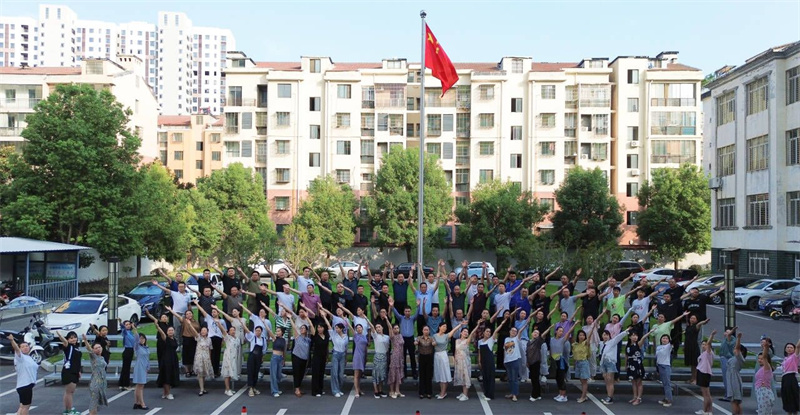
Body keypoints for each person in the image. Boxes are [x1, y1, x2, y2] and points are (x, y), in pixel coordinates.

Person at [177, 307, 212, 396]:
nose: (203, 332)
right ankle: (201, 389)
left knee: (204, 374)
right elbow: (194, 332)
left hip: (206, 358)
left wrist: (210, 358)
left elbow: (210, 349)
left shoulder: (209, 340)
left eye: (205, 331)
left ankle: (203, 388)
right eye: (202, 331)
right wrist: (189, 324)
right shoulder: (198, 337)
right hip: (199, 357)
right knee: (200, 373)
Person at [146, 310, 178, 399]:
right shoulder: (165, 338)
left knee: (169, 375)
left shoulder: (174, 339)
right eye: (169, 331)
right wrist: (157, 326)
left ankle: (165, 393)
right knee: (166, 375)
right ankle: (167, 393)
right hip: (166, 358)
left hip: (173, 358)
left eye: (172, 330)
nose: (171, 332)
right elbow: (162, 333)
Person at [549, 310, 578, 403]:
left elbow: (569, 332)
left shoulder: (562, 340)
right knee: (557, 378)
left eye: (562, 331)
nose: (561, 332)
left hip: (560, 361)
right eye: (560, 331)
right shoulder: (552, 339)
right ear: (556, 331)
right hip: (554, 360)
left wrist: (575, 324)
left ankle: (563, 395)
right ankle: (560, 393)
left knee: (561, 378)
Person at [212, 305, 246, 381]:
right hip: (234, 338)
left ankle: (238, 372)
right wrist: (217, 309)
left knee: (239, 356)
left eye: (235, 311)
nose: (234, 313)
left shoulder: (244, 320)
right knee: (234, 356)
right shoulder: (232, 320)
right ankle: (233, 372)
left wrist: (245, 337)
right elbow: (224, 314)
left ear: (239, 312)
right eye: (233, 312)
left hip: (240, 339)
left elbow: (245, 329)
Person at [7, 333, 38, 415]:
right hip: (25, 386)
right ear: (20, 349)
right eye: (23, 347)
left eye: (26, 346)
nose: (25, 348)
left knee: (22, 406)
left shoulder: (29, 357)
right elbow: (16, 349)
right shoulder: (20, 357)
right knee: (26, 407)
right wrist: (12, 340)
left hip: (27, 385)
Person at [390, 297, 419, 381]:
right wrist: (392, 306)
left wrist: (418, 306)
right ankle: (404, 373)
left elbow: (417, 314)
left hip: (410, 339)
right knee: (403, 357)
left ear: (410, 312)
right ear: (404, 312)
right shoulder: (401, 318)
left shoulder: (412, 319)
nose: (407, 313)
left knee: (412, 356)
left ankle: (414, 373)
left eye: (408, 311)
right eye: (406, 311)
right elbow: (396, 313)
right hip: (402, 339)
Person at [195, 301, 226, 378]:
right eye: (212, 312)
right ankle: (210, 370)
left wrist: (223, 339)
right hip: (211, 338)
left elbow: (224, 331)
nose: (213, 313)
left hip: (218, 338)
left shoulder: (222, 321)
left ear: (218, 313)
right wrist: (197, 304)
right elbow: (203, 311)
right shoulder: (209, 319)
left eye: (215, 312)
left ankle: (216, 371)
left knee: (217, 355)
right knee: (211, 354)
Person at [599, 327, 629, 405]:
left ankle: (610, 397)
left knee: (610, 381)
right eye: (604, 335)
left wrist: (626, 331)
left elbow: (619, 337)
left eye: (607, 335)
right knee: (606, 381)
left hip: (610, 362)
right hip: (603, 363)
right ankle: (608, 396)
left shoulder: (612, 342)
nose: (605, 336)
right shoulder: (602, 344)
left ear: (609, 336)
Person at [167, 308, 200, 377]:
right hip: (186, 339)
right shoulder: (184, 321)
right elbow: (177, 316)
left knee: (193, 355)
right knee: (186, 356)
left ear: (192, 314)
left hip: (194, 340)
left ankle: (192, 370)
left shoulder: (196, 322)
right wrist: (171, 310)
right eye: (187, 314)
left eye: (190, 313)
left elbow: (198, 330)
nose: (189, 315)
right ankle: (187, 371)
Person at [625, 326, 655, 406]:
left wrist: (650, 332)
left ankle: (639, 398)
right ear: (630, 337)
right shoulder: (628, 346)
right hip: (631, 364)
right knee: (633, 382)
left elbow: (643, 338)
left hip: (637, 364)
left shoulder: (638, 344)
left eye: (636, 335)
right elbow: (626, 356)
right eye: (633, 335)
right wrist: (626, 365)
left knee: (639, 382)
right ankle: (635, 396)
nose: (635, 337)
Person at [478, 318, 505, 401]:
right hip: (483, 361)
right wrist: (479, 361)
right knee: (485, 377)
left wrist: (501, 324)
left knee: (490, 377)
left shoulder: (491, 340)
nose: (488, 333)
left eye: (489, 332)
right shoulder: (480, 341)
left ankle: (490, 395)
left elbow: (496, 331)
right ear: (483, 333)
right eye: (487, 331)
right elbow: (479, 352)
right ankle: (486, 393)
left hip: (489, 361)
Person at [217, 319, 245, 396]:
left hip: (234, 357)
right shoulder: (228, 338)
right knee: (227, 373)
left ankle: (228, 388)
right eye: (231, 330)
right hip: (228, 357)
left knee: (230, 374)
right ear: (229, 332)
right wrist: (220, 325)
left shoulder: (237, 339)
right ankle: (227, 389)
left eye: (233, 330)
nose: (232, 331)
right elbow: (224, 331)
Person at [81, 334, 108, 415]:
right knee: (93, 403)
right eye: (96, 348)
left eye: (99, 347)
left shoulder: (102, 358)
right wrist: (86, 341)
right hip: (95, 382)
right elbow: (89, 349)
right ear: (93, 350)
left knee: (96, 404)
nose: (98, 349)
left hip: (102, 382)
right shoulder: (93, 357)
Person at [454, 324, 481, 401]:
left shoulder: (467, 341)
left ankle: (466, 395)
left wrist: (477, 325)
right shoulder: (457, 340)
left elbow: (472, 333)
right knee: (461, 377)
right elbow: (456, 351)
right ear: (461, 333)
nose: (466, 333)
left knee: (466, 377)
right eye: (464, 331)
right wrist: (455, 359)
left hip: (465, 361)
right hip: (459, 361)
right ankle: (463, 393)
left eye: (467, 332)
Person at [56, 331, 81, 415]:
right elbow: (64, 341)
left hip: (75, 371)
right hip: (69, 372)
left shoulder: (76, 347)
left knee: (69, 392)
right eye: (71, 338)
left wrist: (79, 371)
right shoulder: (68, 346)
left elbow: (77, 361)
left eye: (75, 337)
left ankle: (68, 409)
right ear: (68, 339)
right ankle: (69, 410)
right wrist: (60, 335)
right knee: (69, 392)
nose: (73, 339)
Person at [432, 321, 459, 399]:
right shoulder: (434, 335)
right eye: (443, 326)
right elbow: (432, 342)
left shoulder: (446, 336)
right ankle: (442, 391)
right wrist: (433, 344)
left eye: (446, 327)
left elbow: (454, 330)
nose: (445, 328)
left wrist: (460, 325)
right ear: (439, 327)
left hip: (443, 354)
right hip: (436, 355)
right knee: (439, 374)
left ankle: (443, 393)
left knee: (444, 374)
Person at [289, 315, 313, 397]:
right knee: (297, 373)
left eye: (304, 328)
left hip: (304, 358)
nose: (302, 329)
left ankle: (298, 387)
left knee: (302, 374)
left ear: (306, 330)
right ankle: (297, 389)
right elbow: (294, 327)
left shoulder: (308, 340)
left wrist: (308, 318)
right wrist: (290, 318)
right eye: (301, 328)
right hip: (297, 357)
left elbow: (313, 331)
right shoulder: (297, 337)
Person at [695, 329, 717, 415]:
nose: (704, 346)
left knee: (706, 394)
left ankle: (706, 410)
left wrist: (711, 335)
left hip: (704, 373)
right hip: (701, 372)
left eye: (705, 344)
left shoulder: (709, 353)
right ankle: (708, 410)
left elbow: (709, 343)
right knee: (706, 393)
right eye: (702, 344)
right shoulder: (703, 353)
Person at [503, 322, 526, 402]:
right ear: (509, 331)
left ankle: (515, 394)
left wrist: (526, 324)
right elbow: (505, 350)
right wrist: (504, 360)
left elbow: (520, 331)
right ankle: (512, 393)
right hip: (507, 361)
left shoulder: (516, 339)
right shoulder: (506, 339)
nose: (513, 332)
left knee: (514, 378)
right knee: (510, 379)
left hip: (515, 360)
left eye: (515, 331)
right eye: (512, 331)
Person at [368, 317, 391, 398]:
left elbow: (390, 328)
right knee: (375, 374)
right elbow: (371, 327)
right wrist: (366, 318)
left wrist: (387, 319)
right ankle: (376, 391)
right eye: (376, 327)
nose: (378, 329)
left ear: (382, 328)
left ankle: (380, 390)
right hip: (377, 356)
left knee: (382, 374)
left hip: (384, 356)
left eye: (379, 327)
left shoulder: (387, 337)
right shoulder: (375, 336)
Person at [685, 315, 710, 384]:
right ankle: (692, 378)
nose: (692, 319)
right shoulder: (688, 326)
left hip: (694, 346)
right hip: (688, 346)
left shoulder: (696, 326)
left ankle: (696, 379)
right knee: (692, 364)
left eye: (694, 318)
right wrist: (686, 316)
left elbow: (700, 324)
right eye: (691, 318)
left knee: (695, 364)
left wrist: (704, 322)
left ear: (696, 320)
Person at [310, 315, 330, 397]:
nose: (319, 329)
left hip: (323, 357)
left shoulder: (326, 336)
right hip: (316, 357)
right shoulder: (315, 335)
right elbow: (311, 326)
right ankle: (315, 391)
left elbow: (327, 347)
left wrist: (324, 317)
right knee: (316, 374)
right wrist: (307, 317)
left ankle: (320, 390)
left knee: (321, 373)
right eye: (318, 327)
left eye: (321, 327)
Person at [727, 331, 746, 415]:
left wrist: (738, 338)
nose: (734, 349)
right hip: (731, 379)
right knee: (735, 401)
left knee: (735, 401)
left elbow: (738, 348)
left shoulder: (739, 358)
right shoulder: (734, 358)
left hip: (734, 380)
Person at [754, 340, 776, 415]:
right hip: (760, 392)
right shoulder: (761, 368)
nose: (760, 360)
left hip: (764, 392)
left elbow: (765, 356)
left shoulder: (767, 367)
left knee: (763, 412)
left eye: (761, 359)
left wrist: (766, 347)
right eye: (759, 358)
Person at [266, 324, 287, 398]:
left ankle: (276, 388)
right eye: (276, 331)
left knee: (278, 375)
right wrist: (264, 323)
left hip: (280, 358)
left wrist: (284, 359)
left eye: (278, 331)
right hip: (275, 357)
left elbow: (284, 350)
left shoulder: (284, 340)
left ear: (282, 332)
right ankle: (274, 391)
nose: (277, 332)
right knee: (274, 375)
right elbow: (269, 331)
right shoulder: (275, 338)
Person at [415, 325, 436, 399]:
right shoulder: (419, 338)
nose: (426, 331)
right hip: (422, 357)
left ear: (429, 331)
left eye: (427, 330)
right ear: (422, 331)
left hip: (429, 357)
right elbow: (416, 342)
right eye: (425, 330)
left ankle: (429, 392)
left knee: (428, 375)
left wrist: (434, 344)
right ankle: (421, 392)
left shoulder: (431, 338)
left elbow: (434, 343)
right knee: (422, 375)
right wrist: (416, 342)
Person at [780, 339, 800, 415]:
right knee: (787, 397)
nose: (789, 349)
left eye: (791, 347)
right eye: (788, 347)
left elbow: (798, 346)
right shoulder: (785, 358)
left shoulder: (794, 357)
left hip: (790, 378)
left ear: (794, 349)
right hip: (785, 378)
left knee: (792, 397)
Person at [131, 331, 150, 411]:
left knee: (139, 386)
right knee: (140, 386)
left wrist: (147, 367)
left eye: (143, 338)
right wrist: (135, 329)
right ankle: (142, 403)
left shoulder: (146, 347)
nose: (142, 340)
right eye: (140, 338)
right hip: (139, 367)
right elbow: (135, 339)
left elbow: (147, 359)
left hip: (144, 367)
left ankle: (137, 402)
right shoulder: (137, 347)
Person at [526, 327, 546, 402]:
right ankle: (538, 394)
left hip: (536, 362)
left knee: (535, 379)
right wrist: (527, 361)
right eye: (534, 332)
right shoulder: (529, 342)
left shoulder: (538, 342)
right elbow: (527, 352)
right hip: (530, 362)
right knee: (533, 379)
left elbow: (542, 336)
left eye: (537, 333)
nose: (535, 334)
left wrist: (549, 328)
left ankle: (534, 395)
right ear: (531, 333)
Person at [654, 333, 674, 407]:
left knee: (667, 384)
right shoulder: (658, 347)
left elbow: (673, 342)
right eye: (663, 338)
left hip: (665, 366)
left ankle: (669, 400)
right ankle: (666, 398)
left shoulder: (668, 346)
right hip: (659, 366)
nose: (664, 339)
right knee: (664, 384)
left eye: (666, 338)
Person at [718, 326, 738, 403]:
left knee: (727, 378)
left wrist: (732, 331)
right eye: (726, 332)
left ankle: (729, 395)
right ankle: (727, 394)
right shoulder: (725, 339)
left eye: (728, 332)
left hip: (727, 359)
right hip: (724, 359)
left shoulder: (732, 339)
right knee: (725, 378)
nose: (726, 333)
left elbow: (729, 338)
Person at [387, 322, 405, 399]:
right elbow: (389, 327)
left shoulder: (400, 335)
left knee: (398, 374)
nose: (396, 329)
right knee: (393, 373)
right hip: (395, 356)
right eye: (395, 328)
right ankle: (391, 391)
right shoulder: (392, 336)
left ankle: (397, 391)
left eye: (397, 328)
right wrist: (387, 319)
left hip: (400, 356)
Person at [118, 319, 135, 390]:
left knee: (126, 368)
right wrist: (121, 322)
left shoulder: (131, 332)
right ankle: (125, 384)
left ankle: (122, 384)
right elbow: (123, 328)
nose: (128, 326)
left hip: (131, 350)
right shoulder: (125, 332)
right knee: (126, 369)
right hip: (127, 350)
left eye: (129, 324)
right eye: (126, 324)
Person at [351, 322, 368, 398]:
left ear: (362, 328)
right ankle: (356, 391)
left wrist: (366, 356)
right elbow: (351, 329)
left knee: (360, 375)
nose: (359, 329)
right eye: (357, 328)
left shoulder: (364, 336)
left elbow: (366, 347)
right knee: (356, 375)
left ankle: (359, 389)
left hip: (363, 356)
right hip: (357, 356)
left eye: (360, 327)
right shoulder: (356, 336)